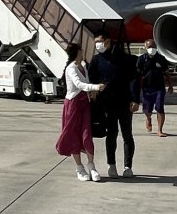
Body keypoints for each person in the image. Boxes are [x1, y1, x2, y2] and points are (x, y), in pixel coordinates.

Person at [89, 34, 138, 179]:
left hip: (125, 101)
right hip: (107, 103)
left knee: (127, 134)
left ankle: (128, 166)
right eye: (96, 42)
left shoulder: (126, 59)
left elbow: (133, 80)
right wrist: (94, 90)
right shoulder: (96, 60)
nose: (98, 45)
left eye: (100, 41)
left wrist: (135, 99)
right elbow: (91, 78)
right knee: (111, 133)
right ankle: (111, 164)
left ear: (108, 41)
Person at [57, 47, 101, 181]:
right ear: (77, 53)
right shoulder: (71, 68)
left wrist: (92, 91)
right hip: (73, 104)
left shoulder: (82, 66)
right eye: (81, 51)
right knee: (73, 134)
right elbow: (79, 84)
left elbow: (86, 82)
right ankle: (79, 168)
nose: (83, 53)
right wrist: (95, 87)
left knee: (87, 134)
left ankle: (92, 166)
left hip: (84, 103)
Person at [138, 47, 169, 137]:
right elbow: (138, 73)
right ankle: (148, 118)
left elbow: (166, 72)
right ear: (145, 47)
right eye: (149, 47)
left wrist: (170, 85)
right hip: (147, 88)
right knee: (147, 110)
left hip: (159, 88)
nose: (151, 49)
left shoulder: (161, 59)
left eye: (153, 46)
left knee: (160, 108)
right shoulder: (141, 59)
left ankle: (159, 130)